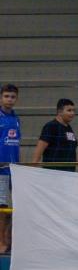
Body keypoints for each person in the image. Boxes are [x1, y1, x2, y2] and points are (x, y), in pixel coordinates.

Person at [0, 83, 20, 254]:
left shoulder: (15, 118)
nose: (9, 100)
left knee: (15, 207)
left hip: (14, 170)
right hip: (1, 172)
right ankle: (1, 242)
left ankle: (9, 238)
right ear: (1, 98)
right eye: (6, 96)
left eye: (12, 97)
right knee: (2, 208)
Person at [32, 98, 78, 171]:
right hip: (53, 174)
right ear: (59, 112)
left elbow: (71, 152)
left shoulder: (69, 128)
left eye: (73, 110)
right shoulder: (51, 126)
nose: (72, 113)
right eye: (69, 110)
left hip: (69, 174)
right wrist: (32, 169)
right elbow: (39, 150)